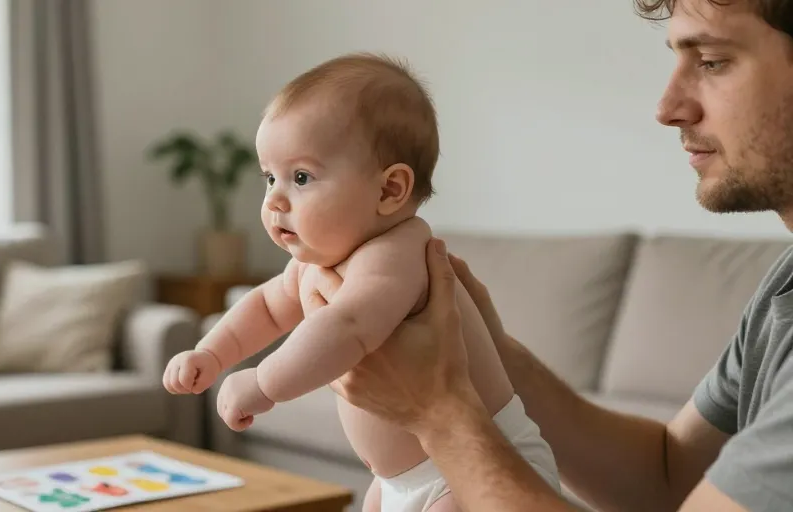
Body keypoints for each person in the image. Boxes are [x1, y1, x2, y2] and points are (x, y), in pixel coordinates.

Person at [322, 0, 793, 511]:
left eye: (711, 61)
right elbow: (667, 476)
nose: (667, 107)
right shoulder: (782, 286)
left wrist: (438, 412)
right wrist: (484, 355)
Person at [162, 53, 560, 511]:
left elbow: (347, 327)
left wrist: (263, 383)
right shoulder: (320, 260)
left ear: (390, 190)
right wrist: (213, 353)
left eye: (301, 177)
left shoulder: (399, 252)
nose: (274, 199)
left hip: (488, 464)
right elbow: (267, 307)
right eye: (270, 177)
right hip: (402, 479)